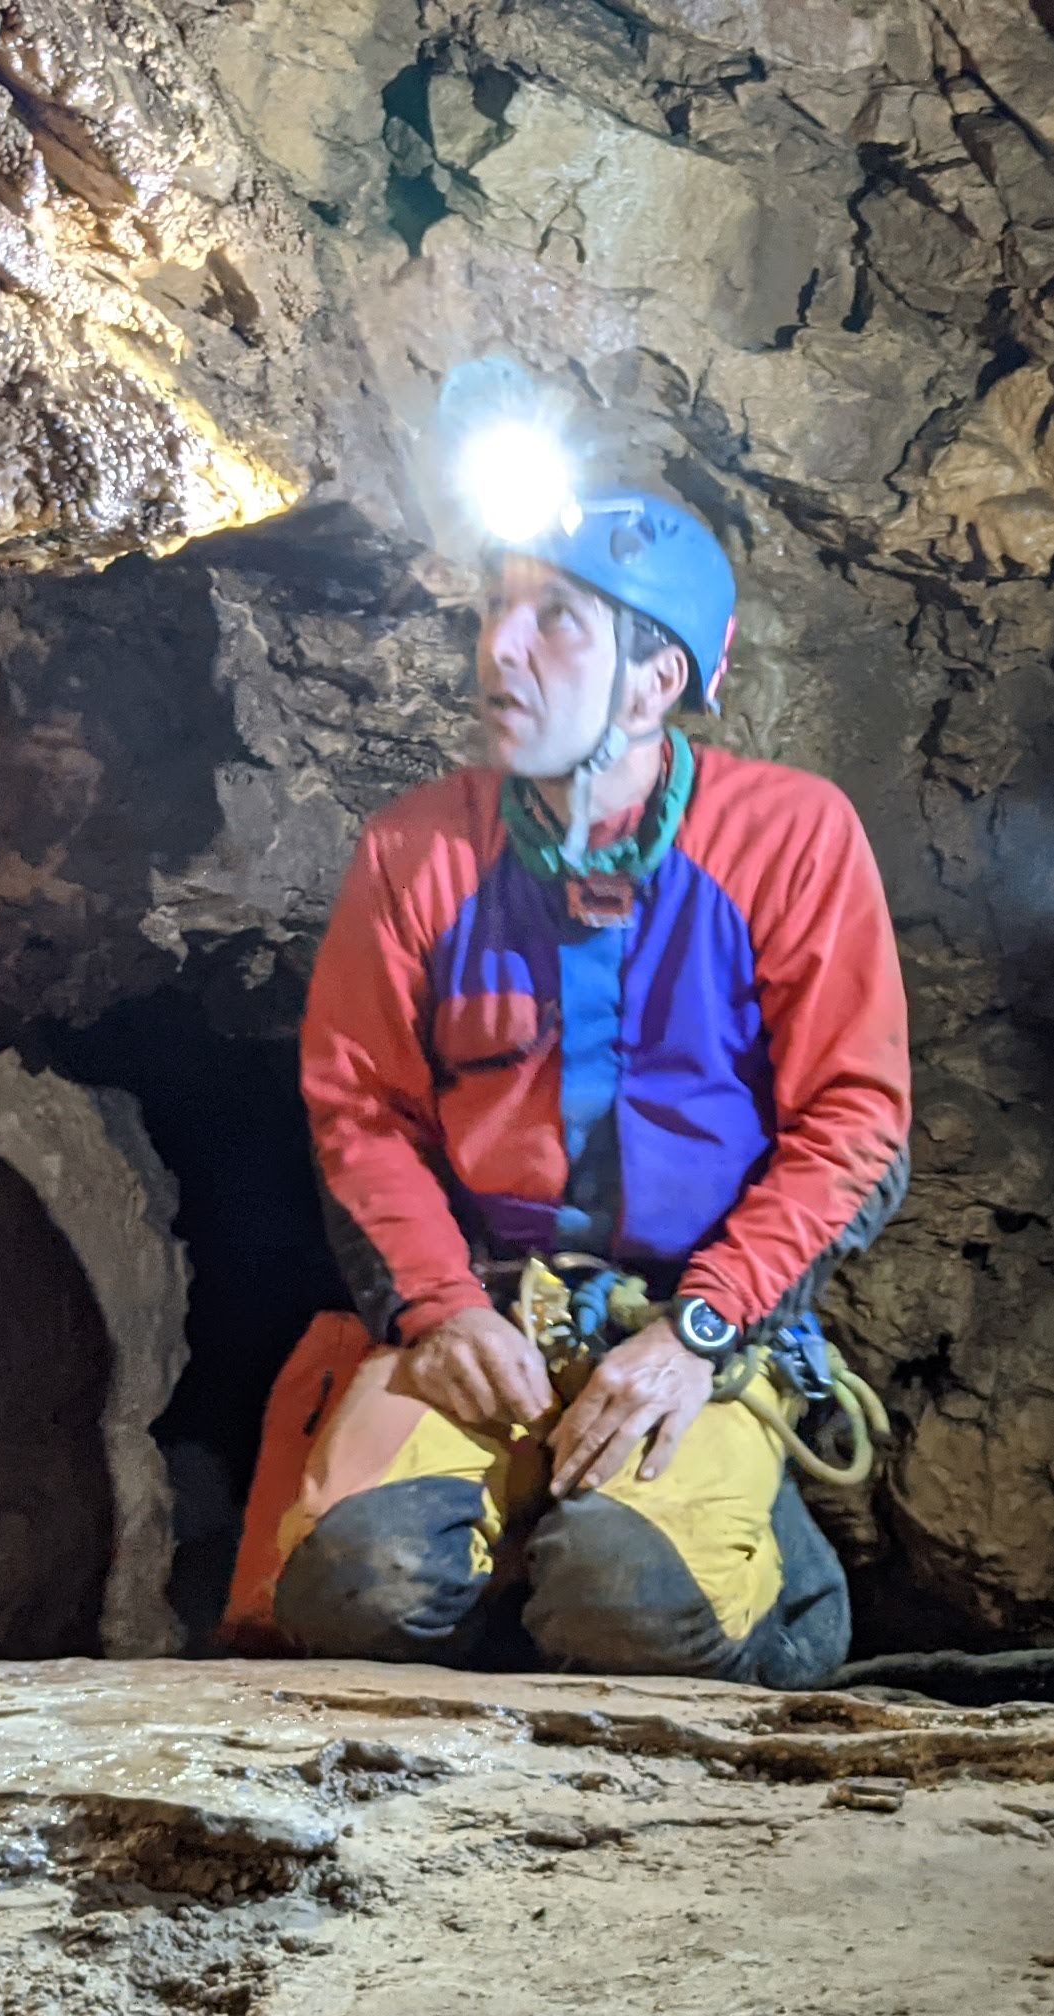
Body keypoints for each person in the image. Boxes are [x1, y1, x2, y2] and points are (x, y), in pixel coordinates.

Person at [262, 485, 909, 1689]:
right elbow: (361, 1114)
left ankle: (787, 1578)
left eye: (554, 618)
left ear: (654, 679)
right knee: (359, 1589)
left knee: (628, 1610)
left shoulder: (790, 837)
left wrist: (703, 1329)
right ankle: (503, 1564)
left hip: (692, 1325)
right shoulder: (416, 852)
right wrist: (441, 1309)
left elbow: (856, 1124)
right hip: (490, 1317)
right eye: (496, 612)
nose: (498, 649)